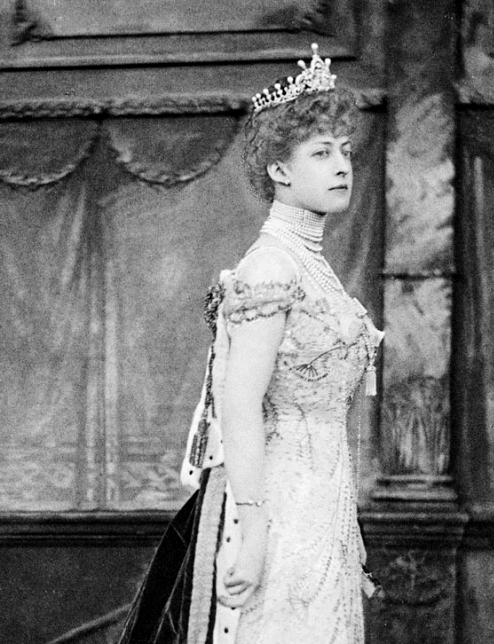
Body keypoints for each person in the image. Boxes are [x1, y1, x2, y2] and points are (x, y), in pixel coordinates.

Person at [117, 43, 383, 644]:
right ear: (279, 171)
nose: (342, 165)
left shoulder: (318, 272)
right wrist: (256, 531)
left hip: (324, 507)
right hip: (272, 507)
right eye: (321, 153)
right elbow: (238, 405)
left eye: (345, 151)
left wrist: (348, 525)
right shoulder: (270, 267)